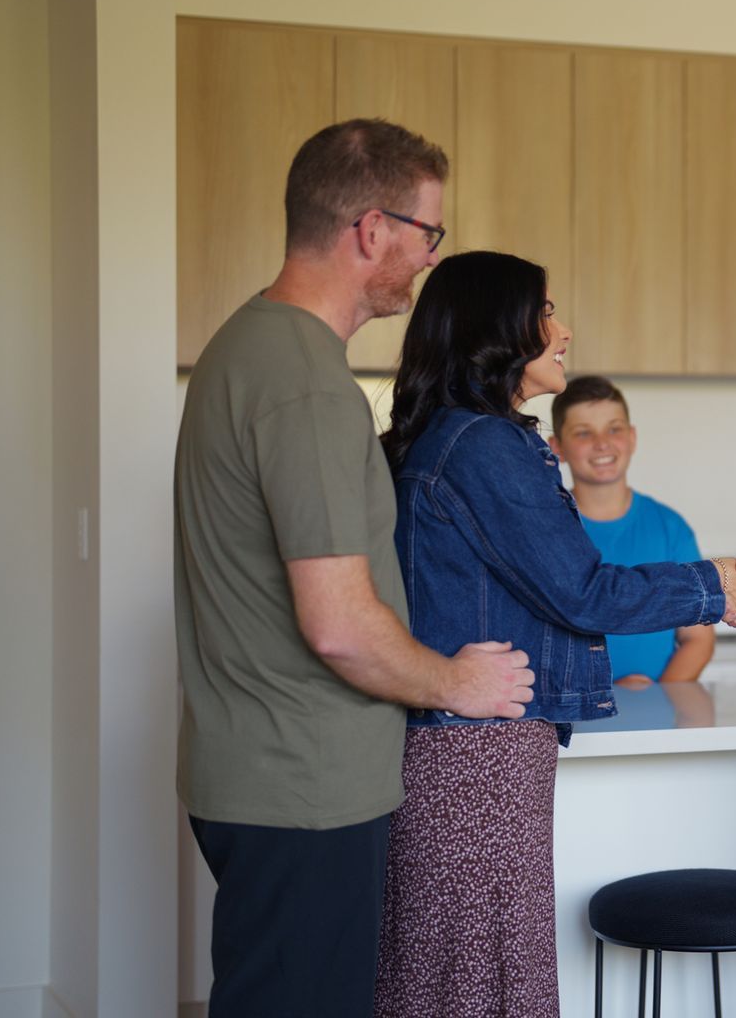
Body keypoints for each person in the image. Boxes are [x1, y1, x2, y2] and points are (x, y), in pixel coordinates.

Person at [174, 118, 536, 1018]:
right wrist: (455, 681)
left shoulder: (243, 348)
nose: (426, 259)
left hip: (260, 774)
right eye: (427, 235)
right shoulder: (305, 383)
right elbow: (337, 622)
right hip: (306, 787)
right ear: (372, 230)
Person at [371, 250, 736, 1017]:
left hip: (465, 750)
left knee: (448, 976)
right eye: (547, 311)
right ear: (500, 328)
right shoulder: (484, 445)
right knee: (481, 981)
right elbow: (584, 593)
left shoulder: (452, 439)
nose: (565, 328)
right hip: (477, 759)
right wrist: (717, 582)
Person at [550, 375, 715, 687]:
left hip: (655, 722)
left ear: (632, 437)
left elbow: (698, 640)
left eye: (614, 429)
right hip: (572, 724)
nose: (602, 442)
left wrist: (655, 699)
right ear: (556, 448)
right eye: (583, 432)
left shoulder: (670, 528)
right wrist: (607, 700)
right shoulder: (544, 530)